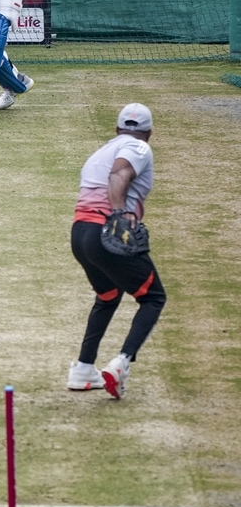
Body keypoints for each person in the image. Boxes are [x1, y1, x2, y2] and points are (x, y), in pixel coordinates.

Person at [65, 103, 164, 400]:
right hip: (106, 231)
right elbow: (119, 175)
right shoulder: (138, 147)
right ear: (149, 132)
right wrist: (119, 215)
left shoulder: (100, 151)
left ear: (116, 128)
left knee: (108, 295)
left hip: (81, 234)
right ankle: (121, 365)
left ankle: (83, 369)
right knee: (154, 297)